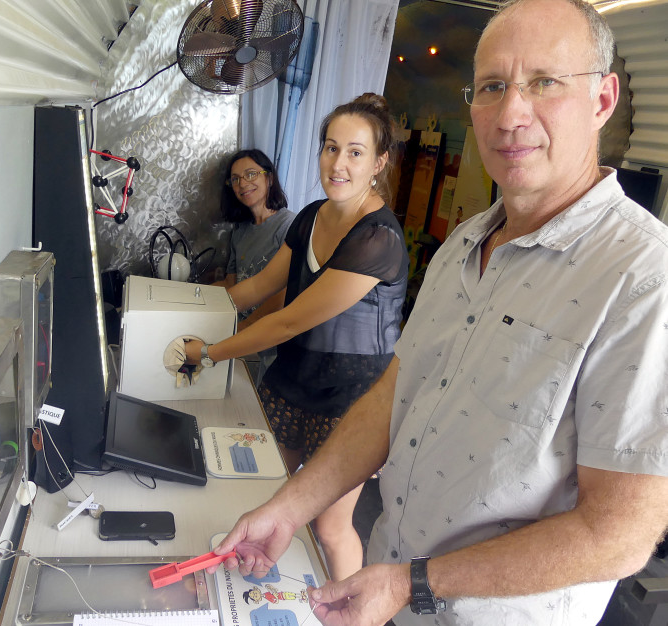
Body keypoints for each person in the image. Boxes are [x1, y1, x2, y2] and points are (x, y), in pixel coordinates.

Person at [206, 1, 668, 624]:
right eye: (493, 87)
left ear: (602, 100)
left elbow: (618, 535)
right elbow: (392, 396)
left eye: (545, 82)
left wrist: (414, 583)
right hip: (391, 584)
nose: (511, 114)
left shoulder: (643, 278)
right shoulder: (464, 243)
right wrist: (288, 509)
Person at [186, 93, 409, 581]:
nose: (338, 163)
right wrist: (192, 312)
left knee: (330, 526)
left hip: (350, 398)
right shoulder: (311, 215)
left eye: (355, 152)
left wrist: (210, 353)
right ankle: (266, 592)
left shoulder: (378, 238)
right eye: (331, 148)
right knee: (268, 493)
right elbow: (258, 287)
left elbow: (290, 320)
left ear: (379, 162)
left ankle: (348, 608)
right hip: (293, 378)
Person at [218, 150, 295, 381]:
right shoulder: (240, 231)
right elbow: (231, 283)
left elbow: (283, 294)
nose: (243, 184)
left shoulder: (289, 225)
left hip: (271, 341)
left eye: (251, 174)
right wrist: (192, 297)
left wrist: (246, 329)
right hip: (242, 335)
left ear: (269, 178)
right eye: (235, 179)